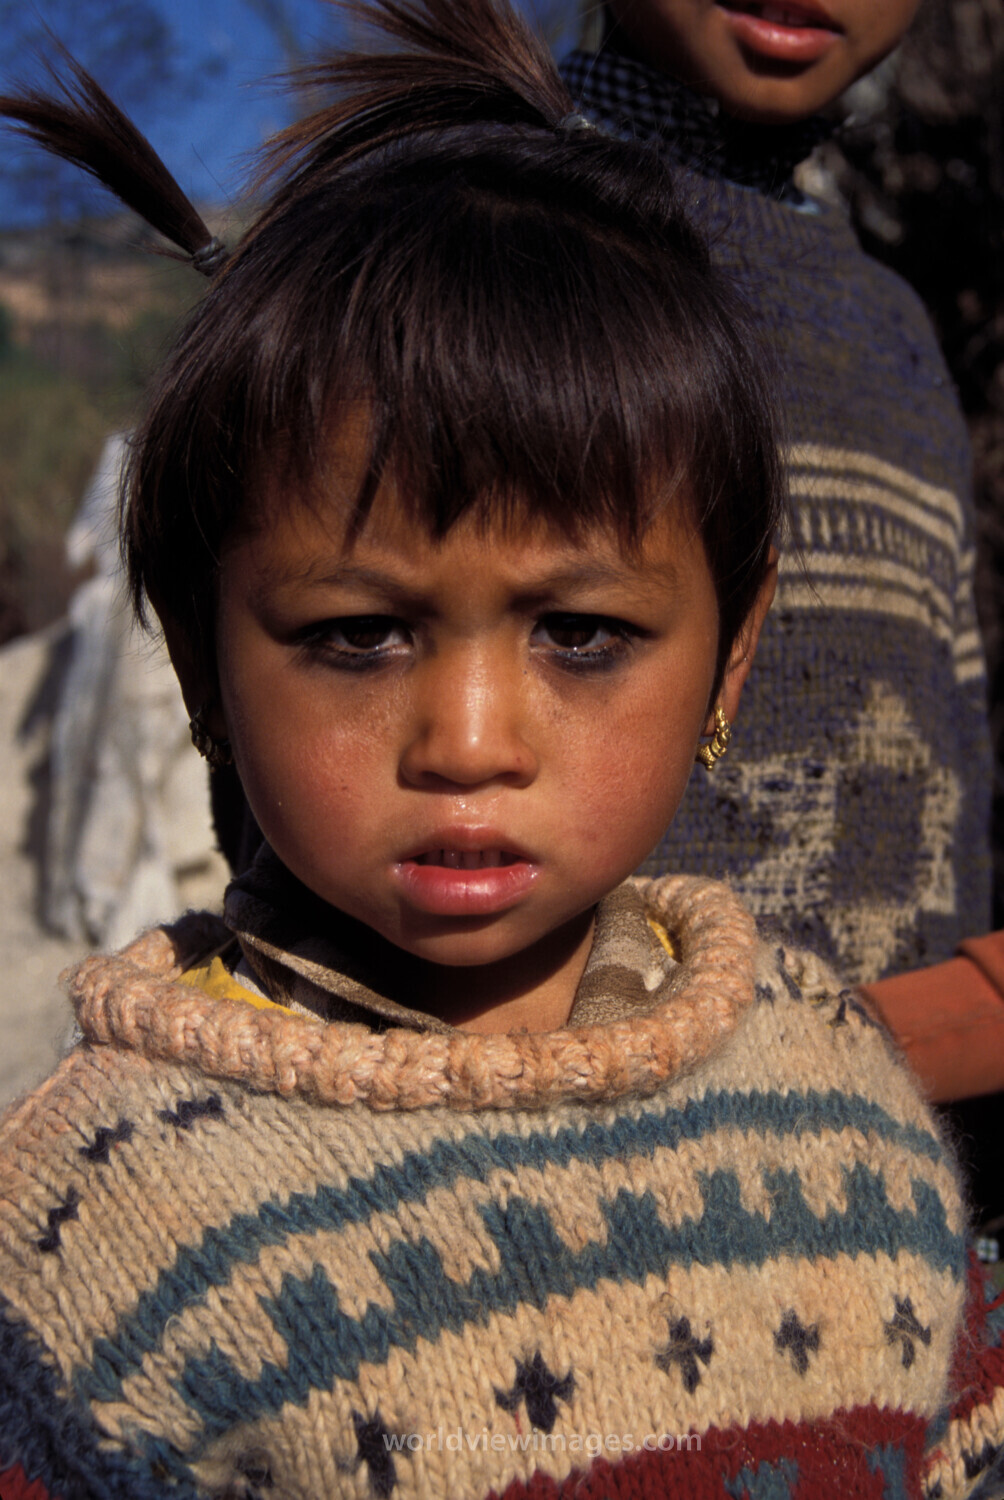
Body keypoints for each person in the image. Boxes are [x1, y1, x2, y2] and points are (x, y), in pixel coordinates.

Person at [0, 3, 1000, 1496]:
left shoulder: (842, 1115)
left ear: (734, 647)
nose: (470, 745)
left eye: (583, 635)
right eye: (360, 636)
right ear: (202, 662)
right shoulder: (128, 1210)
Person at [560, 0, 994, 985]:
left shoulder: (889, 327)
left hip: (881, 1102)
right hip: (565, 1109)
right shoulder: (460, 251)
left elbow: (950, 739)